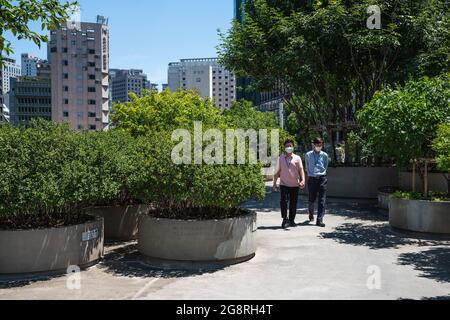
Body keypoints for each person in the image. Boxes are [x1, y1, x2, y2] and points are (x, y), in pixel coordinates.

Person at [273, 140, 306, 229]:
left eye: (290, 146)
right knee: (283, 202)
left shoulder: (297, 158)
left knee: (293, 203)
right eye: (287, 146)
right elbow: (277, 172)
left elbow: (301, 170)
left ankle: (291, 220)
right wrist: (274, 183)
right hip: (284, 184)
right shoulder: (281, 158)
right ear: (284, 147)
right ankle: (285, 219)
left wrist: (303, 180)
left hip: (295, 185)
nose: (289, 147)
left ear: (293, 147)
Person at [305, 137, 329, 228]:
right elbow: (306, 166)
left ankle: (320, 219)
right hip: (312, 178)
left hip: (322, 178)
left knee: (322, 199)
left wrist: (321, 174)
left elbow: (325, 166)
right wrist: (311, 174)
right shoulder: (308, 155)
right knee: (312, 198)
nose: (319, 146)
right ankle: (311, 213)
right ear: (313, 145)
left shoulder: (325, 155)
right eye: (317, 145)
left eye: (320, 145)